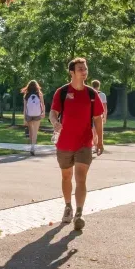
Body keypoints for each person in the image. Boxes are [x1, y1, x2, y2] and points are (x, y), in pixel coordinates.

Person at [50, 57, 104, 232]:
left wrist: (100, 141)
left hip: (84, 143)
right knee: (66, 177)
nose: (84, 71)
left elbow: (97, 118)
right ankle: (68, 206)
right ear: (72, 72)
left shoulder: (91, 94)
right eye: (80, 68)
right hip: (64, 143)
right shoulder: (63, 92)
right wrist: (54, 122)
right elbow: (53, 112)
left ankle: (79, 214)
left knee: (81, 178)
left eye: (85, 68)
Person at [22, 81, 45, 156]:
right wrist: (43, 113)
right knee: (35, 132)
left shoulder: (26, 95)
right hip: (37, 114)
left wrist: (24, 118)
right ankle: (33, 147)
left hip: (29, 114)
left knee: (31, 131)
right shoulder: (39, 94)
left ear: (28, 87)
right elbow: (43, 104)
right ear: (36, 86)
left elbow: (25, 107)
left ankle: (31, 146)